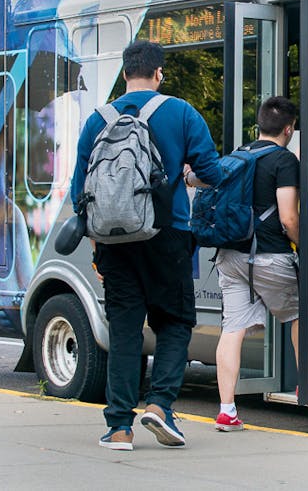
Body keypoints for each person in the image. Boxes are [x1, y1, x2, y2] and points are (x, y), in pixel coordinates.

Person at [70, 40, 221, 451]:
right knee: (174, 323)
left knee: (123, 331)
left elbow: (78, 190)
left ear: (124, 74)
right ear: (159, 74)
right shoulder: (182, 112)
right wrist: (189, 178)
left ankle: (119, 427)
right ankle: (159, 406)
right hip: (168, 233)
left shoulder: (97, 120)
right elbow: (212, 172)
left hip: (113, 241)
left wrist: (98, 240)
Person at [205, 96, 308, 432]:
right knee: (299, 313)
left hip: (229, 256)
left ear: (259, 125)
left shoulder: (238, 155)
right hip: (268, 256)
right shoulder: (283, 160)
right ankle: (307, 385)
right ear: (289, 129)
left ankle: (227, 409)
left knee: (232, 328)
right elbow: (289, 217)